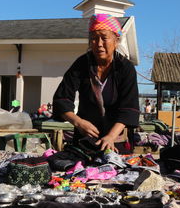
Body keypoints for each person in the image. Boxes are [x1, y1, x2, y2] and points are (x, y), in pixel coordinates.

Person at [53, 14, 140, 153]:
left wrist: (111, 137)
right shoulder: (81, 64)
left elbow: (129, 108)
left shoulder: (125, 68)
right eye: (93, 38)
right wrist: (78, 122)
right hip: (85, 139)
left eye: (104, 38)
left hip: (116, 142)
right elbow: (61, 99)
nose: (99, 43)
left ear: (116, 40)